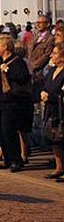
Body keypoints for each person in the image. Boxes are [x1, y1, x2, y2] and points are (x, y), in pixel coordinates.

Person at [0, 36, 31, 172]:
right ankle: (6, 158)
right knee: (1, 131)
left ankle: (16, 160)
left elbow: (22, 78)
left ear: (5, 48)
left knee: (10, 131)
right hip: (0, 102)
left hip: (13, 102)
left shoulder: (17, 62)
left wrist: (7, 70)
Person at [41, 43, 64, 179]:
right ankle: (59, 167)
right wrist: (42, 92)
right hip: (51, 110)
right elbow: (44, 83)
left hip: (61, 109)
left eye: (55, 53)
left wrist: (52, 97)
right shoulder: (52, 70)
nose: (51, 56)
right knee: (55, 139)